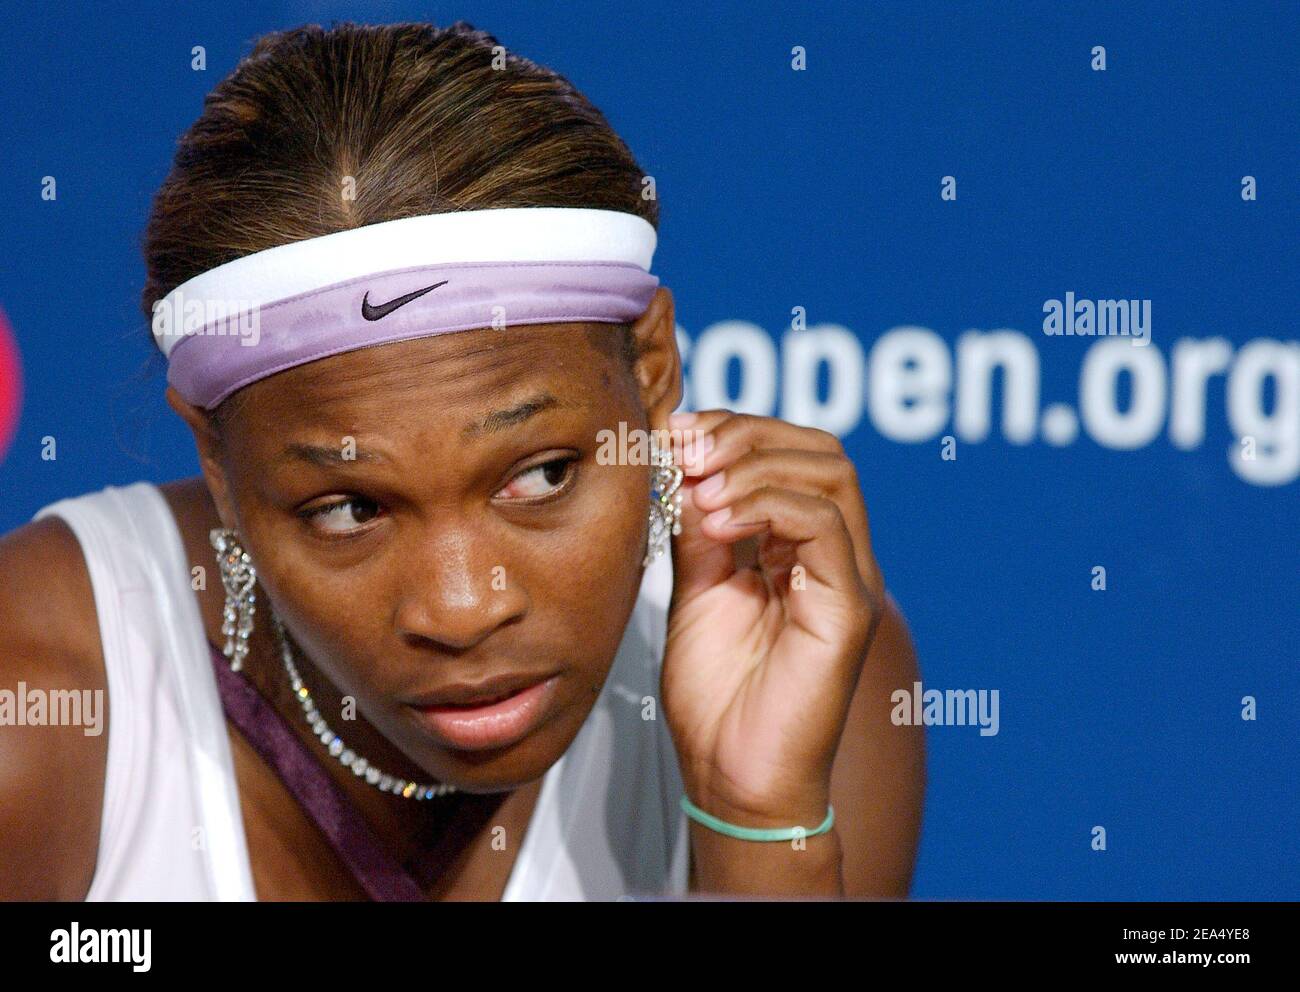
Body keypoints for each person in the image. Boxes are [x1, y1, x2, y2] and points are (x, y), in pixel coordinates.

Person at [0, 20, 924, 901]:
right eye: (349, 509)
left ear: (650, 373)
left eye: (541, 476)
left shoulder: (801, 661)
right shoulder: (34, 716)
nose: (461, 608)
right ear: (217, 460)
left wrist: (753, 816)